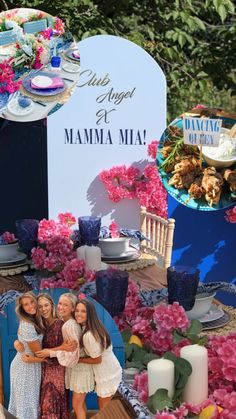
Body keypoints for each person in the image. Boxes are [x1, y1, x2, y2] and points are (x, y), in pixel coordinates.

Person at [36, 293, 94, 419]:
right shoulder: (61, 323)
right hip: (53, 370)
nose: (61, 307)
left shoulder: (67, 325)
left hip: (61, 370)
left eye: (65, 304)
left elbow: (72, 352)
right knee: (76, 404)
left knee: (59, 405)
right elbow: (67, 348)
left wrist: (50, 352)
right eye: (60, 303)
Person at [75, 299, 122, 410]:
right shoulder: (97, 327)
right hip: (113, 370)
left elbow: (97, 360)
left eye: (83, 311)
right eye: (77, 310)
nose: (78, 314)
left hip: (106, 375)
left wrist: (78, 360)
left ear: (90, 314)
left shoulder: (89, 335)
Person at [8, 291, 45, 419]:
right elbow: (40, 354)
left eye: (32, 302)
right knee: (26, 405)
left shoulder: (35, 319)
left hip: (30, 364)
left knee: (28, 403)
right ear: (22, 308)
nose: (30, 306)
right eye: (26, 305)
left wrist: (16, 342)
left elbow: (21, 340)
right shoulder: (28, 325)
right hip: (25, 367)